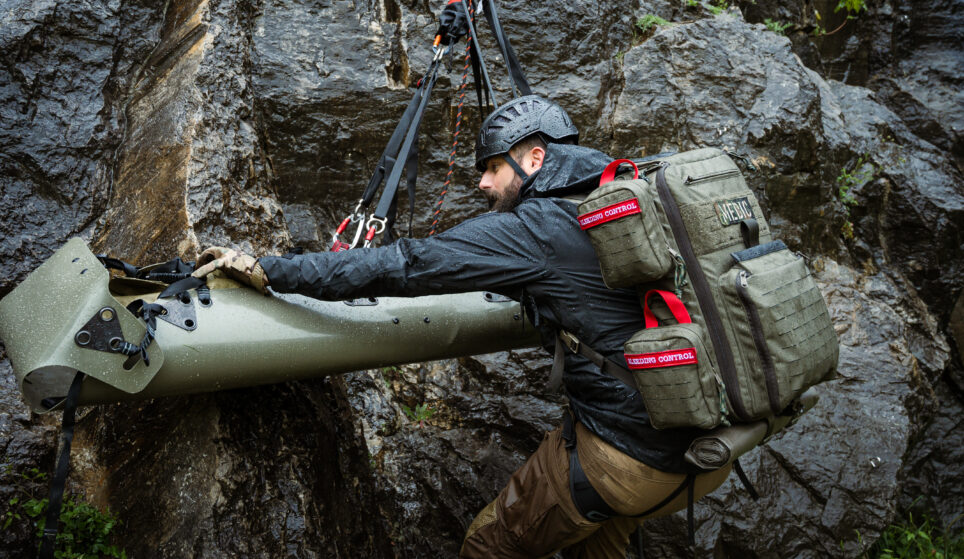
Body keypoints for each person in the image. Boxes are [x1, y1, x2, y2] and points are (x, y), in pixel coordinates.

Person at [193, 95, 730, 558]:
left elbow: (409, 263)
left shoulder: (539, 227)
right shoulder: (633, 192)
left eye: (493, 167)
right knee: (598, 542)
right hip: (713, 443)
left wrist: (275, 270)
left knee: (488, 546)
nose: (481, 182)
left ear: (535, 158)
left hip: (627, 458)